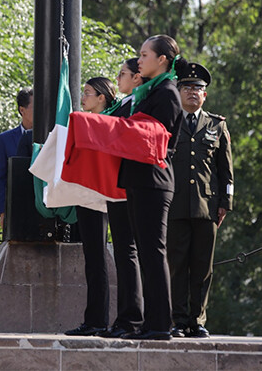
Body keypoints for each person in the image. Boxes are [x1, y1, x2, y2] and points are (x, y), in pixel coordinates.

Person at [117, 35, 188, 340]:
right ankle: (148, 323)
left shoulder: (168, 93)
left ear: (162, 60)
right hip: (136, 179)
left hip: (154, 181)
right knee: (145, 253)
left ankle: (160, 324)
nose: (140, 59)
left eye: (144, 55)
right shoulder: (147, 91)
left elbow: (154, 137)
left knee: (153, 252)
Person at [168, 63, 233, 339]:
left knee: (203, 268)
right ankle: (178, 320)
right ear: (178, 92)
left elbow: (226, 171)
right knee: (176, 265)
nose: (193, 92)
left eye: (198, 89)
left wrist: (225, 203)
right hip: (174, 205)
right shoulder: (169, 122)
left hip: (207, 208)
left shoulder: (217, 125)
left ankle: (197, 320)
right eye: (187, 88)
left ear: (205, 95)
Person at [65, 77, 117, 336]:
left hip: (105, 197)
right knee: (92, 259)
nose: (83, 97)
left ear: (102, 98)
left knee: (99, 260)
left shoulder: (112, 122)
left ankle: (99, 321)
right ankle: (94, 319)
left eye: (87, 93)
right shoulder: (84, 122)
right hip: (85, 196)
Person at [99, 58, 146, 338]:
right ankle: (124, 318)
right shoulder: (123, 105)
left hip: (131, 186)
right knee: (123, 252)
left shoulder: (137, 104)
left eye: (123, 74)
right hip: (115, 183)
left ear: (137, 78)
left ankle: (132, 319)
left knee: (130, 253)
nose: (118, 79)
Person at [0, 88, 33, 228]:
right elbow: (0, 178)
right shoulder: (5, 139)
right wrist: (3, 212)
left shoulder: (52, 135)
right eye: (35, 107)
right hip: (17, 206)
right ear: (22, 110)